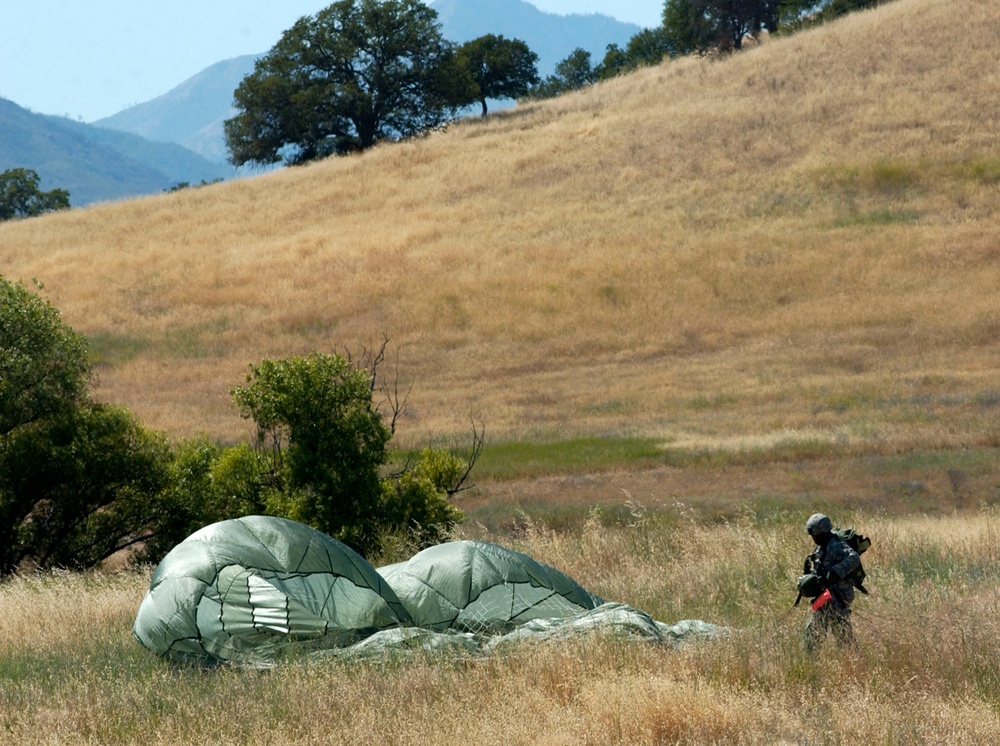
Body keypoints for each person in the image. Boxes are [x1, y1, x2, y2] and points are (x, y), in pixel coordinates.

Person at [802, 513, 860, 651]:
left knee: (844, 639)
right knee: (812, 635)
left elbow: (854, 558)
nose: (814, 539)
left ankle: (855, 664)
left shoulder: (837, 545)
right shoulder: (821, 547)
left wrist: (836, 571)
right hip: (825, 598)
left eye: (816, 535)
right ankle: (809, 664)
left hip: (837, 599)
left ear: (824, 533)